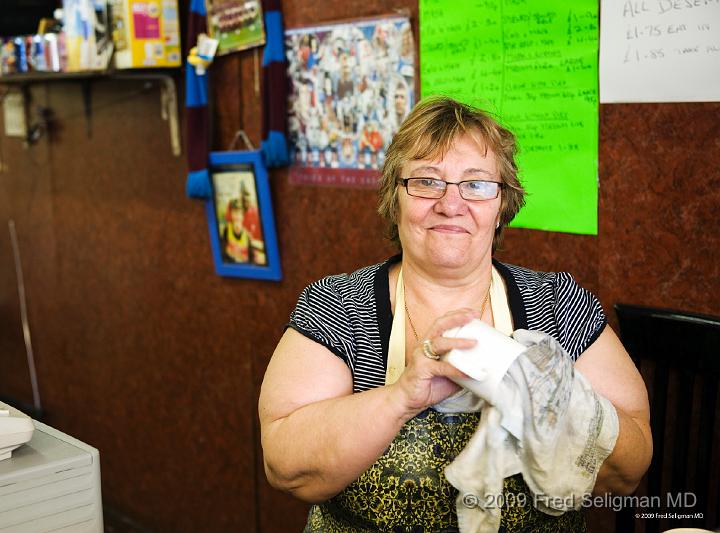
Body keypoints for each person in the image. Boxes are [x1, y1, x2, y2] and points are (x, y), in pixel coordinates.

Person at [258, 96, 652, 531]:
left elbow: (628, 472)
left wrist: (556, 402)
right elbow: (286, 466)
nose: (451, 203)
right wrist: (401, 396)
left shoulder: (556, 305)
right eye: (427, 181)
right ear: (396, 196)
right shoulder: (338, 307)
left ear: (502, 203)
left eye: (477, 184)